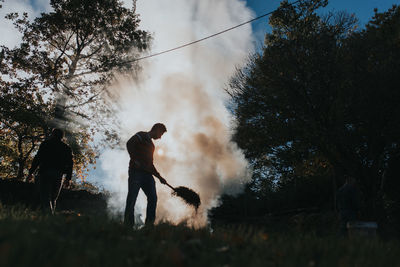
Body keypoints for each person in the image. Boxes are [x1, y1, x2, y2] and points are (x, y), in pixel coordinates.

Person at [124, 123, 168, 227]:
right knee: (132, 198)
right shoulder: (141, 135)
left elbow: (150, 164)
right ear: (156, 129)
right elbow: (129, 143)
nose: (160, 137)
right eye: (161, 134)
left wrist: (159, 177)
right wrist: (135, 160)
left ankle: (149, 226)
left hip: (147, 175)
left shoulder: (152, 146)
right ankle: (128, 225)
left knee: (153, 198)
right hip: (136, 172)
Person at [27, 128, 73, 214]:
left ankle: (48, 217)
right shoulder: (66, 148)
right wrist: (68, 178)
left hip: (45, 173)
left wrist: (31, 172)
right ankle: (49, 219)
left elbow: (38, 158)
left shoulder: (46, 144)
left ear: (52, 134)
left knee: (45, 197)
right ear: (62, 137)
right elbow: (70, 164)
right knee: (53, 198)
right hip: (58, 175)